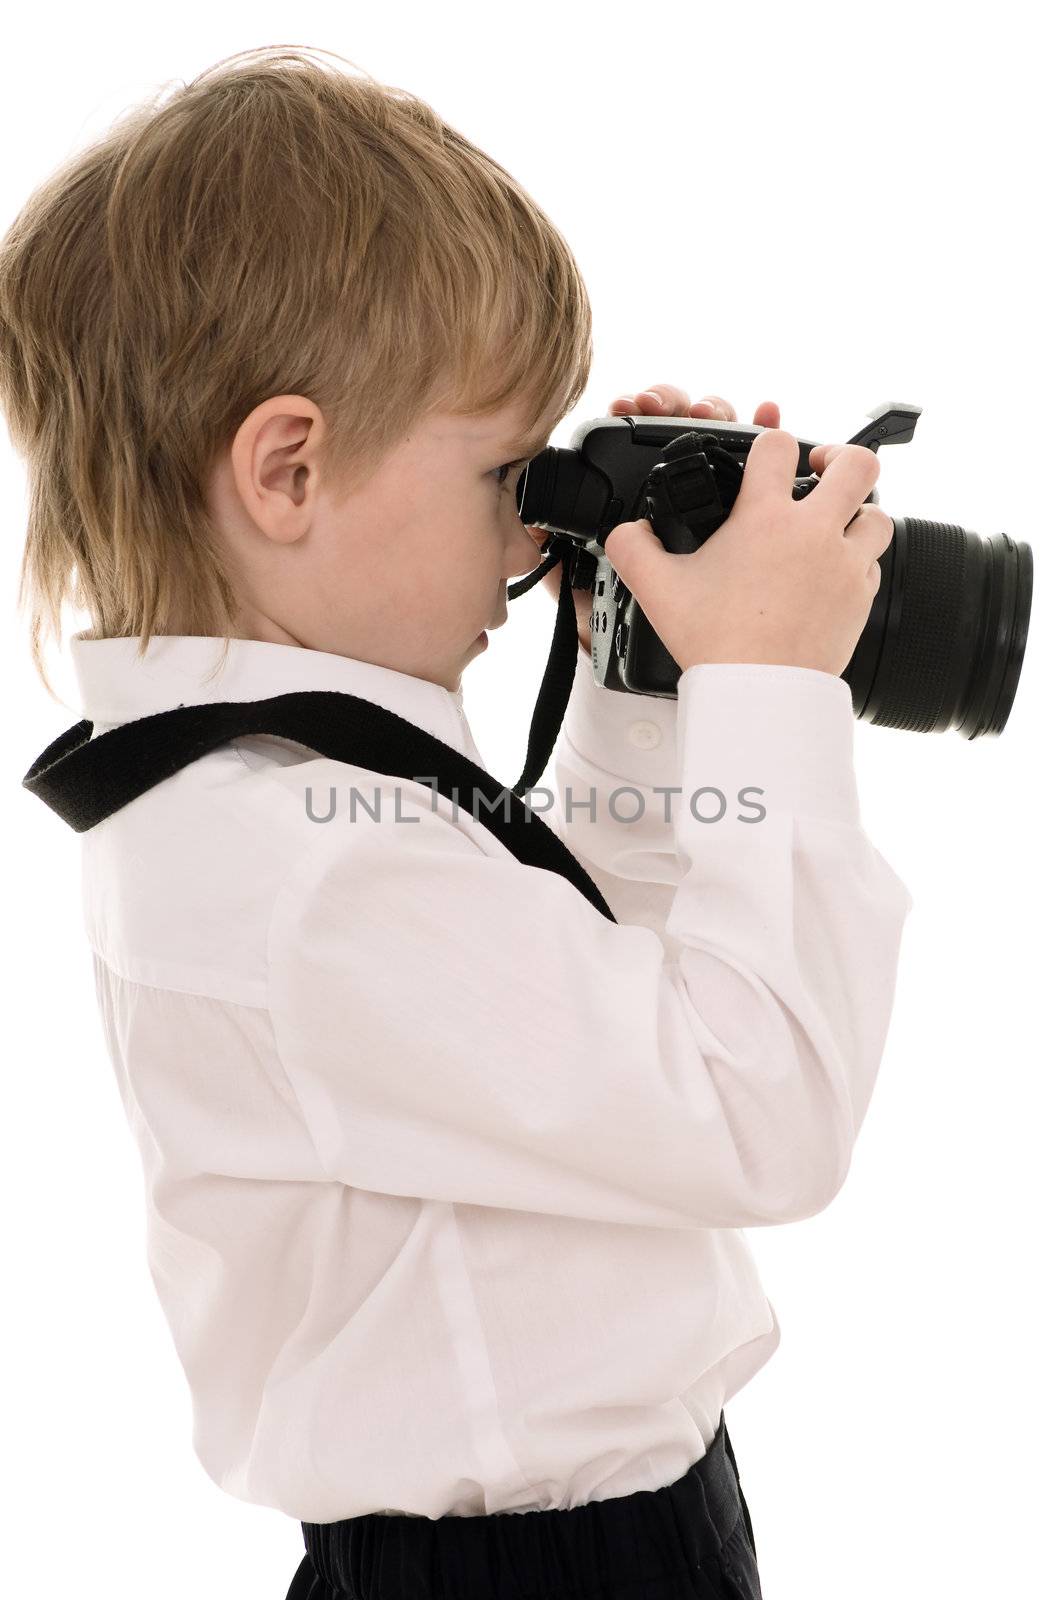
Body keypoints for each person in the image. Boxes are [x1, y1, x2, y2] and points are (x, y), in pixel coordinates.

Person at [2, 44, 910, 1600]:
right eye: (507, 470)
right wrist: (770, 684)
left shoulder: (277, 799)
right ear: (289, 468)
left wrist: (635, 674)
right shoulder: (308, 863)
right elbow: (764, 1112)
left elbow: (588, 996)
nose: (530, 522)